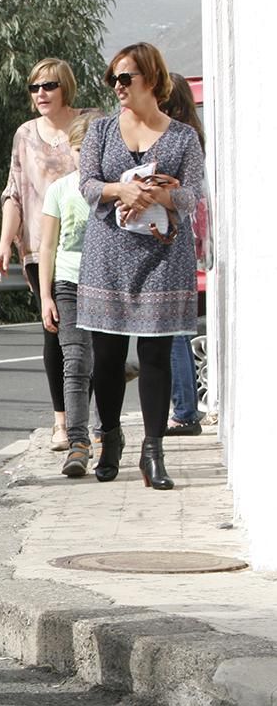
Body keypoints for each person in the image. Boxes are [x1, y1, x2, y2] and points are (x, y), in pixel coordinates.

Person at [78, 43, 204, 490]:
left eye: (125, 78)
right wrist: (120, 190)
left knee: (155, 355)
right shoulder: (102, 130)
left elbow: (193, 197)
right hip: (108, 254)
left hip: (163, 255)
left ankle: (154, 453)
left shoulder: (183, 137)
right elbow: (87, 185)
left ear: (150, 79)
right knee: (108, 358)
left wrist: (159, 194)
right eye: (112, 78)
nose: (117, 87)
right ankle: (109, 441)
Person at [0, 58, 95, 451]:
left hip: (95, 245)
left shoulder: (92, 122)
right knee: (55, 330)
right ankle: (62, 421)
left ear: (65, 86)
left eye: (48, 86)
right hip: (42, 247)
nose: (41, 94)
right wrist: (4, 242)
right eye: (34, 88)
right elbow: (14, 192)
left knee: (97, 337)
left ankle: (93, 415)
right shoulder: (25, 134)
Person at [39, 112, 99, 477]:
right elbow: (47, 246)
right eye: (80, 149)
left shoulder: (114, 188)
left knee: (103, 367)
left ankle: (109, 433)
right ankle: (78, 442)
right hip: (68, 284)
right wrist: (45, 296)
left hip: (107, 285)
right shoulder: (60, 190)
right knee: (75, 364)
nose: (86, 156)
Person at [161, 73, 207, 437]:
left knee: (172, 331)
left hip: (171, 240)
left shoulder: (176, 140)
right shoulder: (194, 136)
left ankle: (185, 410)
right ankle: (185, 407)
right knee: (177, 328)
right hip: (186, 242)